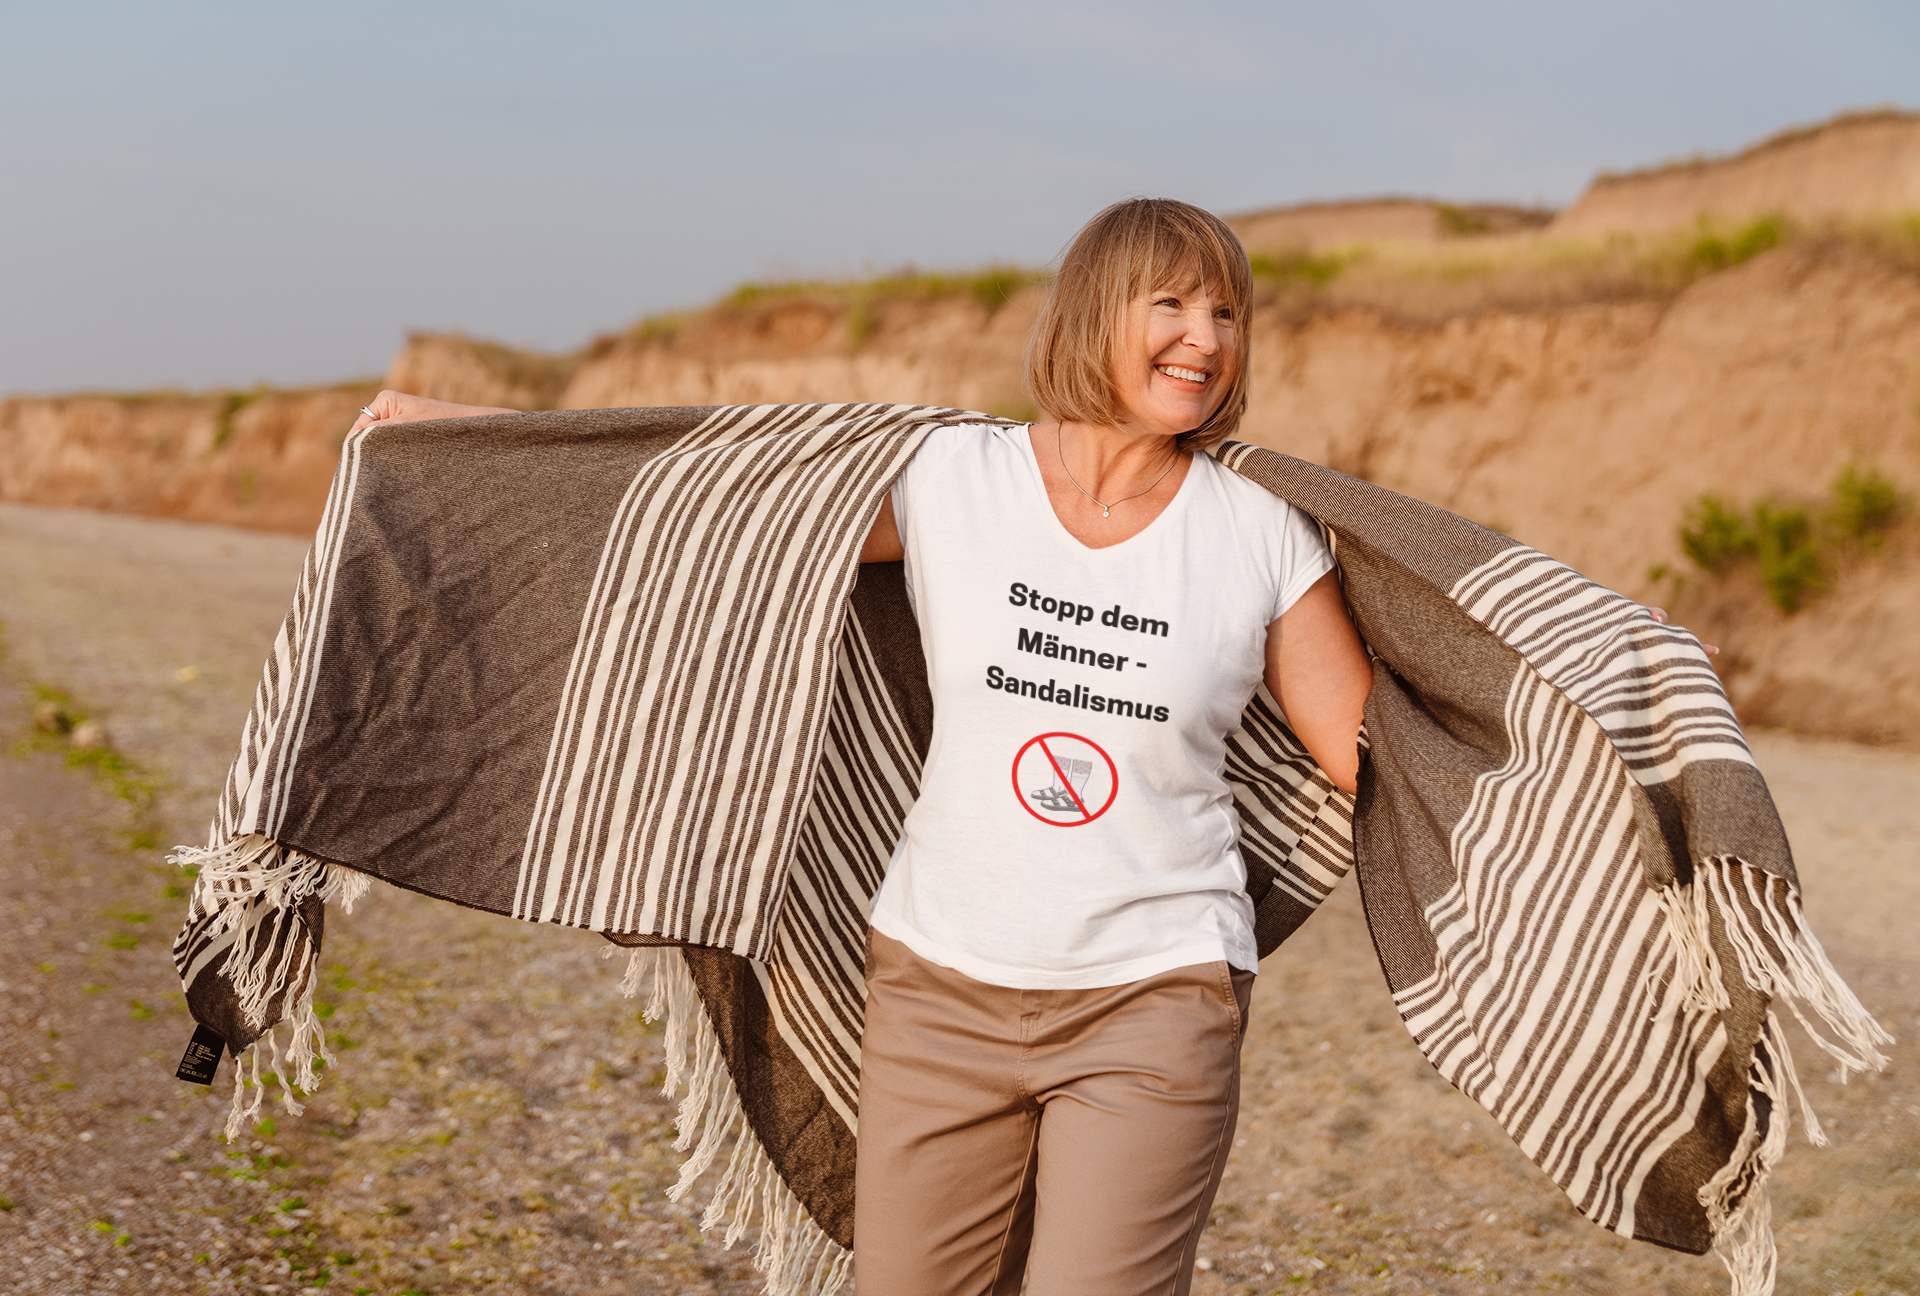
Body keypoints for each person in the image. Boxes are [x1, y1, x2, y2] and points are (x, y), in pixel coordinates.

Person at [350, 199, 1701, 1295]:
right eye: (1171, 302)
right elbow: (708, 505)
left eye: (1227, 311)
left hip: (1157, 1004)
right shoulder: (956, 478)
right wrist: (462, 443)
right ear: (1093, 316)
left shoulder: (1258, 534)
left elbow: (1372, 758)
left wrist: (1596, 718)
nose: (1204, 336)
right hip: (939, 990)